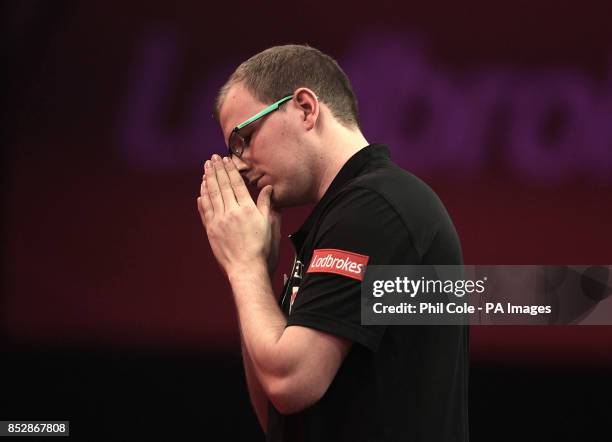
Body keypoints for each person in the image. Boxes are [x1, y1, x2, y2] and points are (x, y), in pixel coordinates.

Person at [197, 44, 468, 442]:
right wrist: (259, 274)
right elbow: (278, 415)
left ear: (305, 107)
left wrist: (244, 267)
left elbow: (292, 383)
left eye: (245, 136)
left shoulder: (375, 206)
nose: (238, 161)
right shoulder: (343, 215)